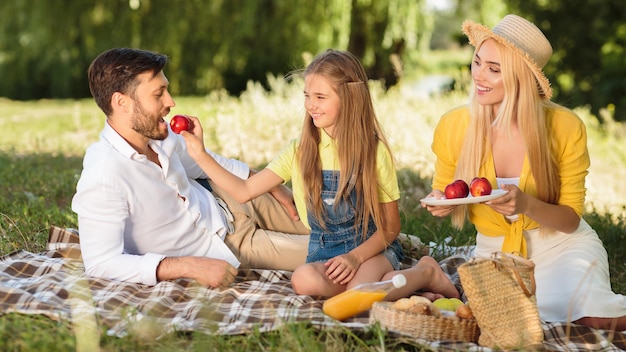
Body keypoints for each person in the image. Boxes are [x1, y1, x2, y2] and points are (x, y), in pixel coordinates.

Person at [180, 49, 460, 301]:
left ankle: (425, 273)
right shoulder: (300, 150)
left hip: (371, 250)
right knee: (303, 279)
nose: (310, 105)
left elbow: (389, 227)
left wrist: (354, 258)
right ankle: (395, 286)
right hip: (324, 252)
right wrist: (200, 154)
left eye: (320, 97)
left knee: (358, 295)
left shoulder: (373, 154)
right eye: (307, 96)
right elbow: (244, 191)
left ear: (350, 98)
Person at [423, 14, 626, 330]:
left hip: (562, 246)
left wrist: (526, 205)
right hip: (497, 252)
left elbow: (570, 219)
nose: (479, 76)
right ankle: (435, 277)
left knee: (592, 317)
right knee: (513, 324)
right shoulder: (454, 126)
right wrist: (439, 202)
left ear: (519, 78)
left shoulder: (565, 127)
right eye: (477, 63)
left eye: (494, 69)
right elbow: (444, 190)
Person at [71, 47, 311, 289]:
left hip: (233, 198)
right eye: (159, 94)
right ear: (121, 102)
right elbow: (101, 262)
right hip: (233, 244)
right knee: (335, 251)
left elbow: (206, 164)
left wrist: (268, 185)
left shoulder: (161, 137)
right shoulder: (104, 174)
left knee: (335, 222)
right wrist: (189, 266)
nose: (171, 102)